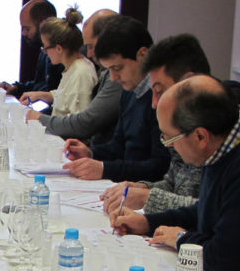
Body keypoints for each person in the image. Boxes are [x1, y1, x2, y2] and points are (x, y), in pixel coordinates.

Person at [111, 76, 240, 271]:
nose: (168, 146)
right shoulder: (227, 140)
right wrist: (148, 222)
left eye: (170, 138)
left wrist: (181, 238)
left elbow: (222, 261)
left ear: (200, 136)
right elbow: (207, 209)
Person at [100, 33, 212, 215]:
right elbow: (173, 183)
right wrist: (142, 187)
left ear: (188, 82)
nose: (153, 103)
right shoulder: (182, 123)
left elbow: (210, 209)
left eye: (160, 91)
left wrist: (148, 198)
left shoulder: (216, 131)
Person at [61, 16, 170, 182]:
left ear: (143, 55)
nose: (113, 78)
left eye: (117, 68)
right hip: (123, 184)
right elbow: (119, 145)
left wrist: (105, 168)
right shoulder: (130, 90)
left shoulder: (161, 99)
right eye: (109, 69)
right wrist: (91, 153)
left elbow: (160, 166)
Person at [27, 9, 121, 146]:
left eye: (91, 46)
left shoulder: (85, 71)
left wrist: (40, 119)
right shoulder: (84, 69)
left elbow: (84, 123)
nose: (89, 54)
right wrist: (49, 95)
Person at [18, 7, 97, 118]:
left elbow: (78, 119)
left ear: (59, 48)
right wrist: (45, 95)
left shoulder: (81, 72)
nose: (45, 53)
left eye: (45, 48)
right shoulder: (73, 67)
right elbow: (68, 95)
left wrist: (39, 118)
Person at [0, 0, 64, 97]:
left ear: (43, 23)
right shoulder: (45, 48)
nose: (23, 33)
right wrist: (17, 88)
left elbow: (53, 93)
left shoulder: (61, 51)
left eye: (27, 28)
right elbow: (40, 85)